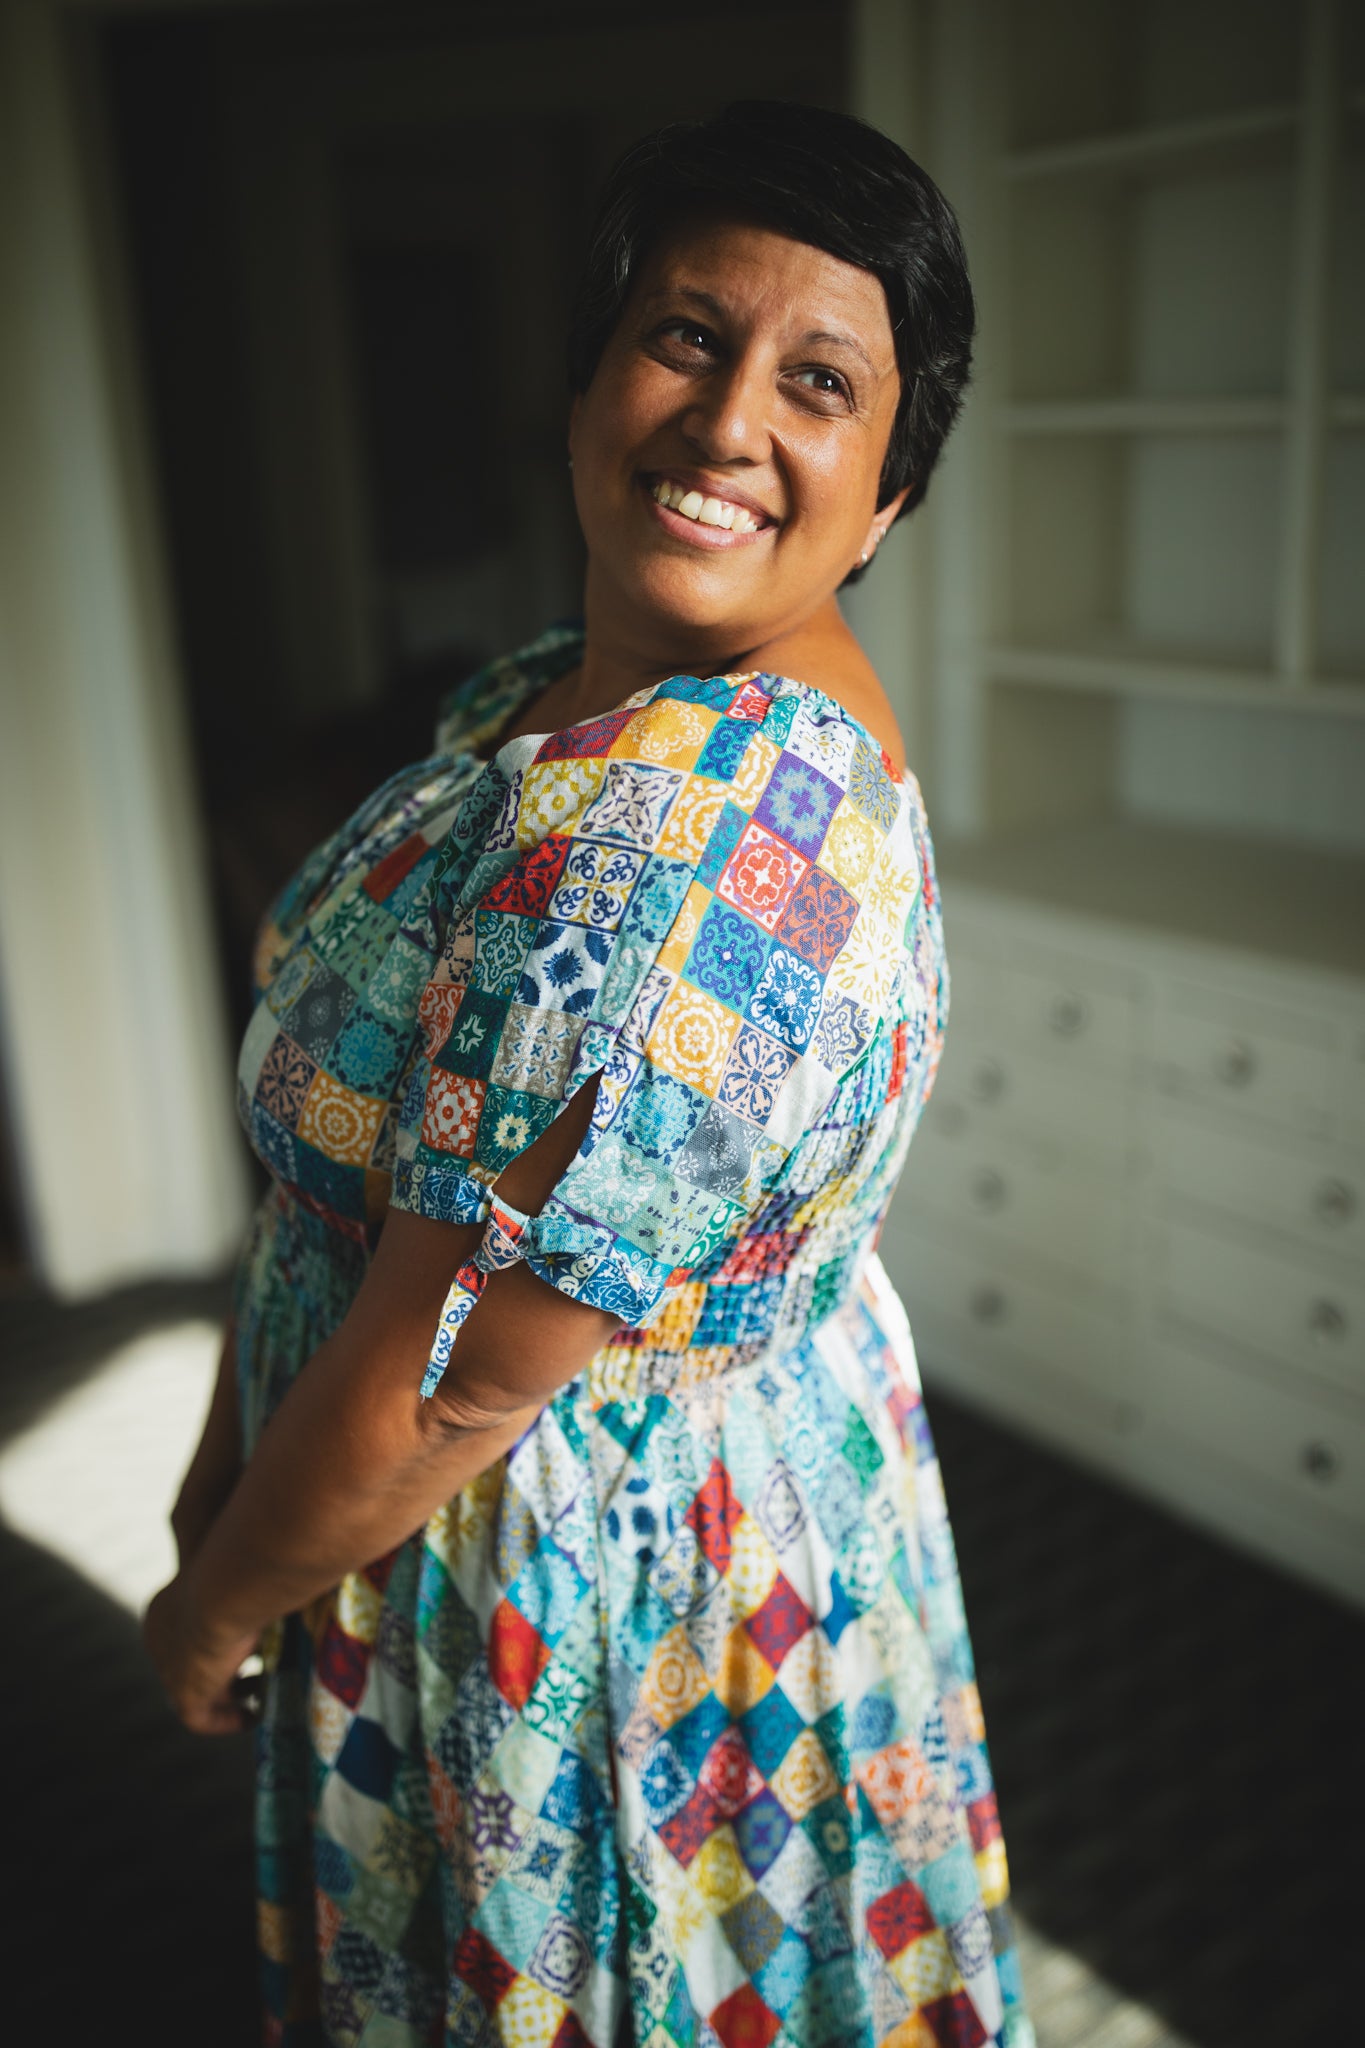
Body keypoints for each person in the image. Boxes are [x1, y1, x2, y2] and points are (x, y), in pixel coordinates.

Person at [146, 99, 1032, 2048]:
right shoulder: (552, 686)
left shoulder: (671, 846)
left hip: (551, 1554)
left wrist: (212, 1601)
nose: (728, 425)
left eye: (818, 382)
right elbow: (369, 1177)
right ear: (582, 383)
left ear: (884, 496)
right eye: (685, 335)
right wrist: (232, 1425)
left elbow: (451, 1378)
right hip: (693, 1479)